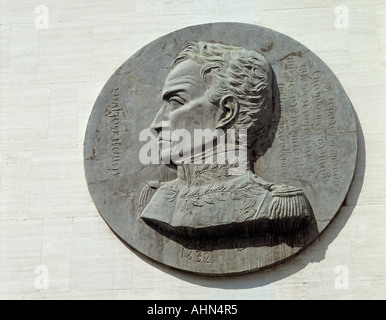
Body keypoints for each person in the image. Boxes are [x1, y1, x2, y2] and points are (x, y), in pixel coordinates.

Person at [139, 41, 312, 239]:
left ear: (227, 112)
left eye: (175, 102)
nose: (156, 124)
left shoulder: (274, 204)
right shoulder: (157, 200)